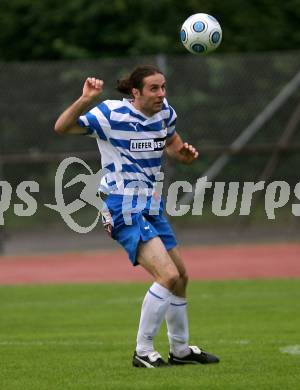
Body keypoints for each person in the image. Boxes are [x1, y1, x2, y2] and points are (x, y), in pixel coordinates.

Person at [54, 64, 219, 368]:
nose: (161, 94)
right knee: (167, 276)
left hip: (151, 204)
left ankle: (180, 350)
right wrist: (84, 99)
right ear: (136, 92)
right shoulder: (112, 114)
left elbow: (172, 143)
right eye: (154, 88)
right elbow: (62, 127)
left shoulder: (164, 113)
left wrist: (183, 155)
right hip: (121, 204)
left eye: (163, 87)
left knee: (181, 277)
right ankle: (143, 351)